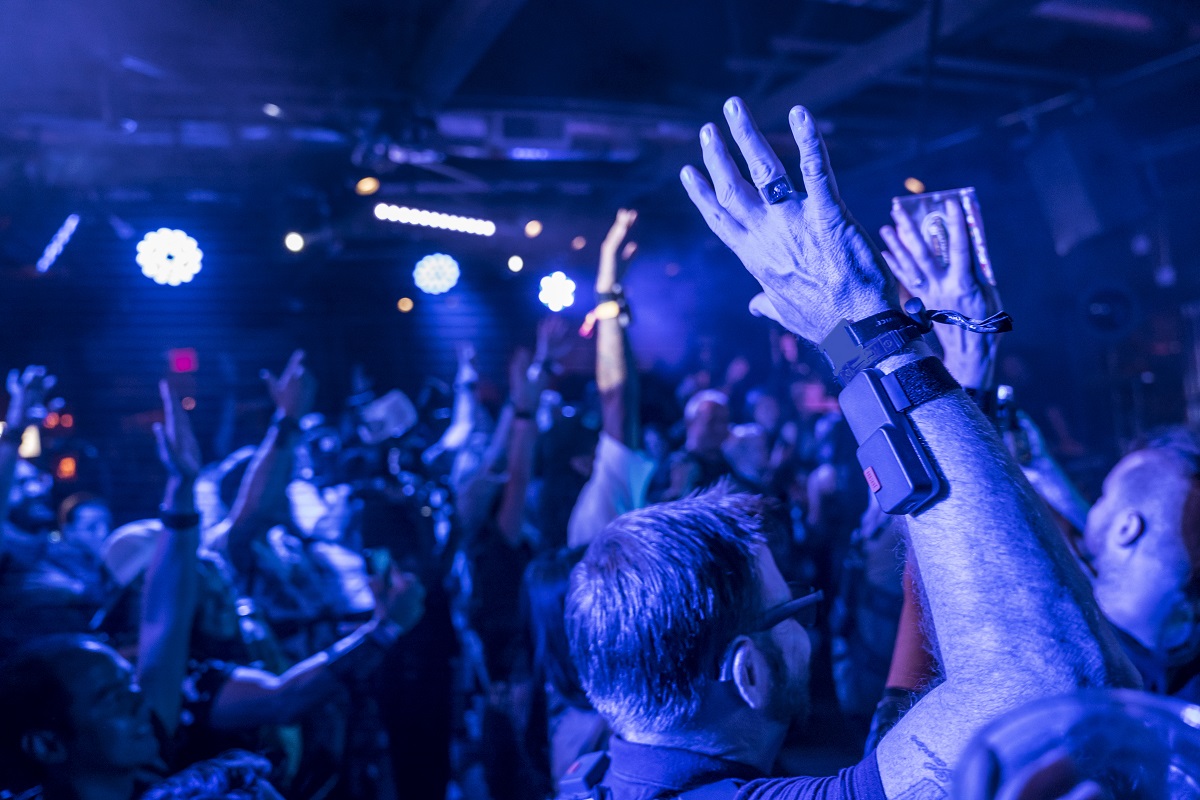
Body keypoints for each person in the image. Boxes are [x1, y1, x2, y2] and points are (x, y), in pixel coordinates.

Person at [562, 95, 1137, 800]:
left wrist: (963, 393)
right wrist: (860, 322)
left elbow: (898, 730)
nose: (811, 617)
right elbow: (1054, 694)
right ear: (747, 671)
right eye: (795, 609)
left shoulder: (594, 775)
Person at [566, 209, 656, 550]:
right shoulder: (600, 505)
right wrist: (606, 294)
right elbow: (617, 396)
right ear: (581, 462)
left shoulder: (592, 515)